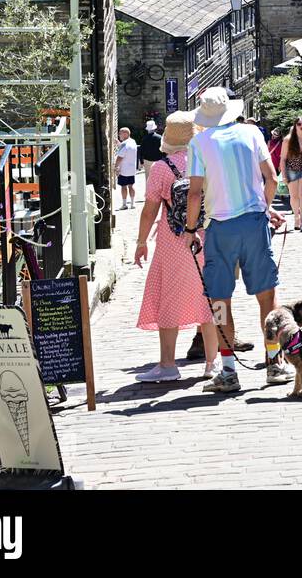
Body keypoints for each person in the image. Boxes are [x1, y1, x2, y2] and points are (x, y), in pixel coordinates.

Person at [182, 87, 291, 394]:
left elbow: (194, 193)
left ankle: (228, 370)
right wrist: (265, 208)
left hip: (219, 228)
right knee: (267, 298)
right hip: (254, 224)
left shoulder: (199, 143)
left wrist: (191, 230)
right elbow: (273, 178)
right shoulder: (252, 133)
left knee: (219, 300)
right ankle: (275, 362)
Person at [132, 111, 220, 382]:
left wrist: (141, 241)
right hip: (207, 237)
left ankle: (168, 365)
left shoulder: (161, 168)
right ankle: (212, 363)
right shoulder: (209, 164)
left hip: (173, 239)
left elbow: (149, 211)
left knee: (168, 295)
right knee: (211, 297)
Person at [115, 127, 139, 210]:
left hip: (123, 170)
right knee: (131, 186)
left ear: (125, 134)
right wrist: (119, 144)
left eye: (120, 133)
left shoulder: (124, 144)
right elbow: (127, 150)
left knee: (123, 187)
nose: (119, 135)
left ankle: (124, 204)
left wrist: (116, 167)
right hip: (131, 169)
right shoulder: (133, 141)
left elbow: (120, 157)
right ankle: (132, 204)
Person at [138, 119, 163, 184]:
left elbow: (141, 151)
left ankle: (149, 192)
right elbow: (163, 150)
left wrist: (141, 161)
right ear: (154, 128)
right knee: (158, 178)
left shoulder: (144, 139)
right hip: (158, 161)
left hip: (147, 161)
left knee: (148, 178)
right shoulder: (159, 138)